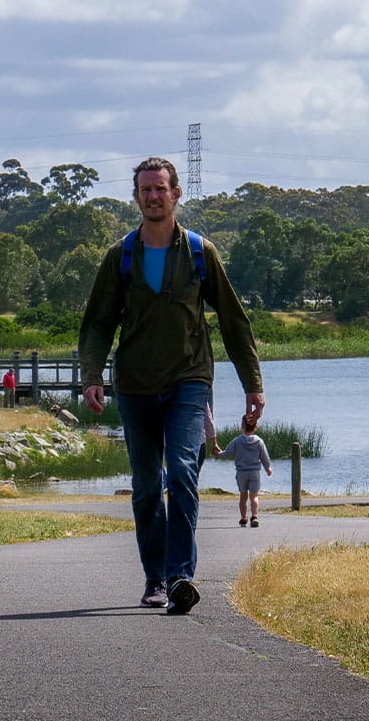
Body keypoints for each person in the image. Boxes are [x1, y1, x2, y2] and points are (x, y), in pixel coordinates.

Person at [79, 156, 263, 615]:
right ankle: (155, 579)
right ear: (137, 197)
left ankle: (181, 575)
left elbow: (235, 321)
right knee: (145, 487)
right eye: (146, 190)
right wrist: (92, 377)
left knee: (181, 474)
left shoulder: (201, 252)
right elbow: (98, 323)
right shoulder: (119, 256)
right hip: (136, 385)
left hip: (189, 380)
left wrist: (252, 385)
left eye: (161, 188)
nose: (154, 196)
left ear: (176, 193)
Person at [224, 416, 272, 527]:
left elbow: (228, 453)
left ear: (242, 426)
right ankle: (254, 516)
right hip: (255, 472)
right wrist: (268, 468)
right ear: (256, 427)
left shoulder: (237, 441)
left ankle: (243, 518)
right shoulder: (259, 441)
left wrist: (218, 454)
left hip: (241, 473)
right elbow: (265, 457)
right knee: (254, 496)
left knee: (243, 496)